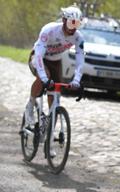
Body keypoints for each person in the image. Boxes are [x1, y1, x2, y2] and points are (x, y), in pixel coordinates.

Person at [24, 6, 85, 134]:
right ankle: (30, 105)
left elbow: (80, 59)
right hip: (38, 58)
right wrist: (44, 78)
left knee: (55, 96)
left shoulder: (78, 37)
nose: (74, 27)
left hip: (55, 62)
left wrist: (77, 79)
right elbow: (39, 55)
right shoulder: (49, 30)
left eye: (78, 24)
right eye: (71, 23)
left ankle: (49, 137)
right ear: (63, 20)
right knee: (44, 77)